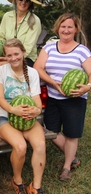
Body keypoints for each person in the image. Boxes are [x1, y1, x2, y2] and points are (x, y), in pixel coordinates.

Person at [34, 13, 91, 181]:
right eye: (63, 26)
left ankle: (66, 168)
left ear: (76, 29)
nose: (66, 30)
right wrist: (53, 83)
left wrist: (86, 87)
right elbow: (38, 67)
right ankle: (72, 157)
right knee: (51, 131)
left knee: (72, 134)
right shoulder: (49, 47)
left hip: (75, 99)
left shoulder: (82, 50)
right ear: (58, 28)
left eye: (70, 27)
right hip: (53, 97)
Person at [0, 38, 46, 194]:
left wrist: (37, 111)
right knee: (21, 147)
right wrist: (13, 110)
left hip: (28, 115)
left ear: (23, 53)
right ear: (5, 56)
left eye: (16, 54)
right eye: (9, 55)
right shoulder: (0, 72)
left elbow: (37, 100)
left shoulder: (32, 73)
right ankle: (18, 181)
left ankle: (36, 187)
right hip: (4, 116)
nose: (13, 58)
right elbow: (0, 98)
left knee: (40, 144)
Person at [0, 0, 42, 73]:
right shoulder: (7, 16)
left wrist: (7, 57)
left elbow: (27, 49)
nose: (23, 2)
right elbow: (0, 38)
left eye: (27, 0)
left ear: (31, 3)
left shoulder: (35, 20)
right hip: (6, 55)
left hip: (25, 58)